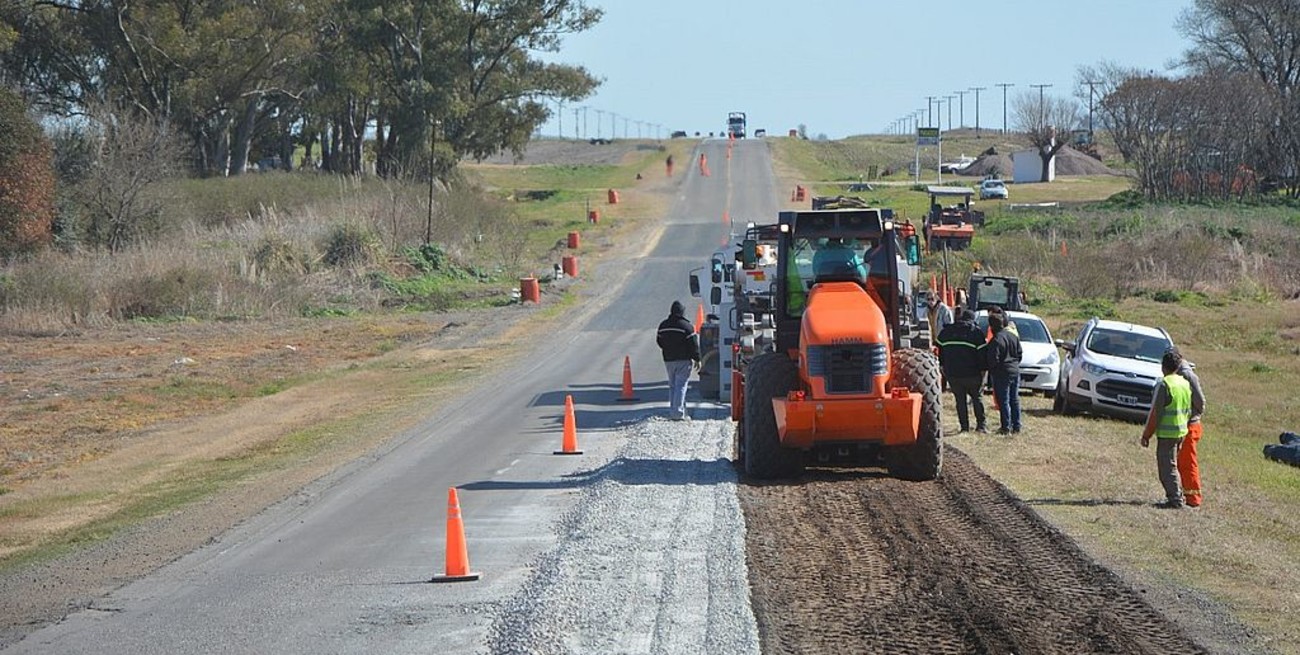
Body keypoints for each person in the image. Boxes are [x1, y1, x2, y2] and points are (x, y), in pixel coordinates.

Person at [1141, 351, 1193, 509]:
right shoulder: (1184, 383)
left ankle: (1175, 499)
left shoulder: (1165, 384)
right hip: (1181, 431)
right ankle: (1178, 495)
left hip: (1167, 433)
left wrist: (1146, 435)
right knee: (1172, 465)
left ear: (1163, 366)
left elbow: (1156, 414)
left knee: (1167, 467)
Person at [937, 309, 988, 433]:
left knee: (960, 401)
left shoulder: (946, 331)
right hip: (972, 374)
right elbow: (982, 356)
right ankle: (981, 426)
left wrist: (943, 367)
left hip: (953, 374)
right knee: (977, 399)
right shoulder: (976, 333)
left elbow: (939, 350)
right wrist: (983, 372)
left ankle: (964, 427)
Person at [1170, 347, 1207, 507]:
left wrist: (1192, 416)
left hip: (1191, 426)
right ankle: (1186, 495)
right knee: (1181, 462)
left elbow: (1201, 402)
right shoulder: (1176, 374)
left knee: (1188, 462)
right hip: (1181, 425)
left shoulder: (1186, 375)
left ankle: (1193, 499)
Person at [656, 300, 700, 420]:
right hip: (683, 360)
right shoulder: (687, 327)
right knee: (681, 385)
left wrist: (668, 349)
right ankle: (678, 413)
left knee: (673, 386)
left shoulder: (663, 325)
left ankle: (674, 410)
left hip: (668, 360)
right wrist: (697, 359)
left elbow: (659, 341)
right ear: (682, 312)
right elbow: (693, 345)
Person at [985, 311, 1023, 434]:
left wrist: (994, 371)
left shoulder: (996, 340)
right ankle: (1017, 425)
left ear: (992, 327)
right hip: (1015, 370)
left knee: (1004, 400)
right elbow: (1019, 353)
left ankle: (1005, 427)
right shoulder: (1013, 336)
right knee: (1014, 399)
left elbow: (992, 360)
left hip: (1002, 372)